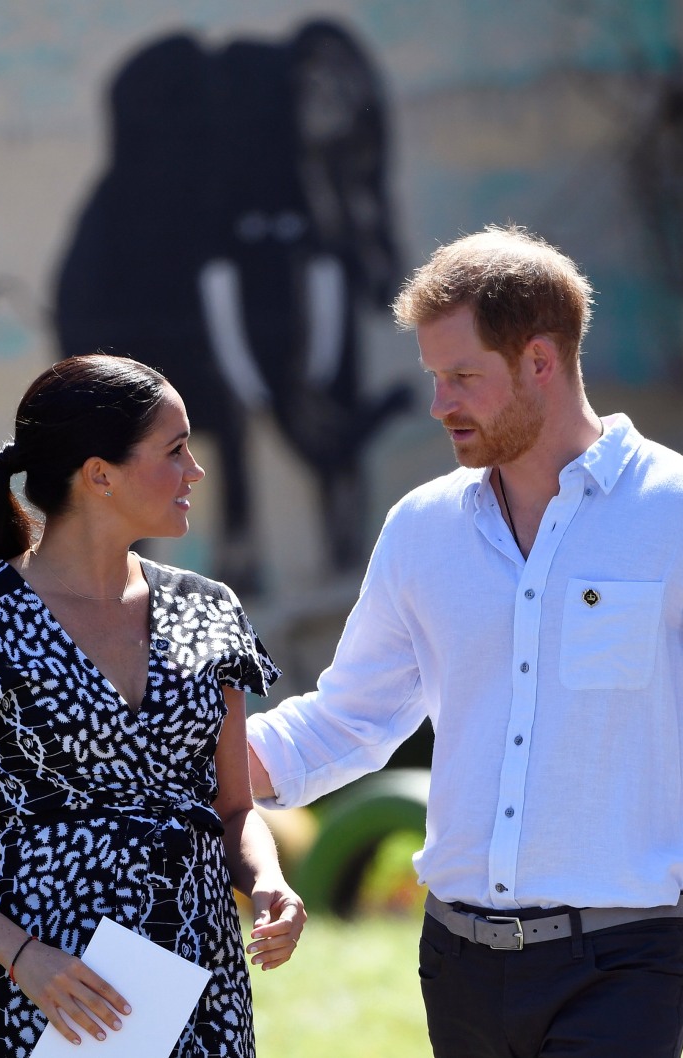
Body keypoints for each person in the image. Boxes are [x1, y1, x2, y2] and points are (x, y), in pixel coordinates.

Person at [246, 224, 683, 1058]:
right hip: (456, 966)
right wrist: (183, 757)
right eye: (435, 378)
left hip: (626, 963)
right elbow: (346, 720)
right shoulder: (422, 528)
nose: (441, 404)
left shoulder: (672, 512)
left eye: (463, 377)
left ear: (541, 362)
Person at [0, 353, 306, 1058]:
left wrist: (269, 882)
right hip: (40, 991)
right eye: (174, 450)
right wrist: (24, 958)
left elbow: (234, 809)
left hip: (198, 984)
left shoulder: (211, 609)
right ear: (98, 474)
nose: (195, 470)